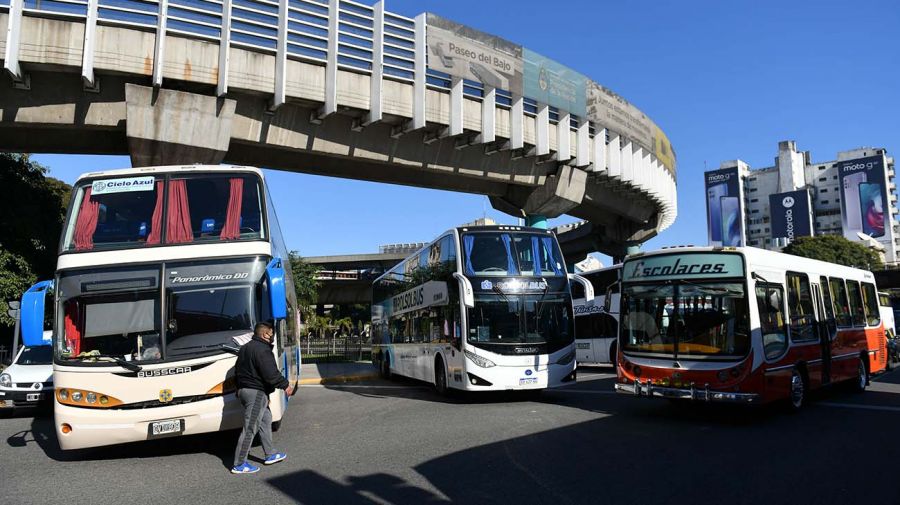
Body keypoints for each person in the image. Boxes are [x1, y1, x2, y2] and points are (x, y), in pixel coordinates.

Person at [231, 321, 294, 474]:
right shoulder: (262, 350)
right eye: (271, 333)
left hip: (246, 391)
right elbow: (270, 374)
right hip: (255, 392)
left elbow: (238, 372)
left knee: (265, 419)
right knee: (251, 427)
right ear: (265, 334)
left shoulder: (245, 348)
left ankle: (270, 453)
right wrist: (285, 385)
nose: (272, 336)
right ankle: (239, 464)